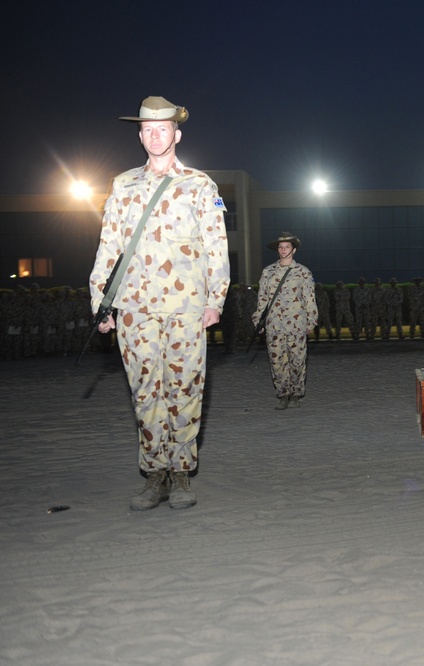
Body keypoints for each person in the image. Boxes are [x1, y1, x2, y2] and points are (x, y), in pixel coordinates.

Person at [89, 96, 230, 510]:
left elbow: (216, 247)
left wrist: (215, 299)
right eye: (148, 129)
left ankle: (182, 473)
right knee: (145, 392)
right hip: (134, 308)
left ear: (176, 134)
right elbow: (109, 245)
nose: (155, 134)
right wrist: (102, 301)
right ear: (140, 136)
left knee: (185, 388)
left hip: (186, 306)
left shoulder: (201, 185)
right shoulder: (122, 184)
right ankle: (155, 475)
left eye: (162, 128)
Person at [252, 232, 318, 410]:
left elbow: (309, 298)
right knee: (277, 361)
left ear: (293, 250)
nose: (283, 250)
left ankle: (296, 393)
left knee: (297, 359)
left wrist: (311, 321)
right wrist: (259, 320)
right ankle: (283, 394)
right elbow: (262, 299)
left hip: (297, 324)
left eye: (287, 247)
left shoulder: (303, 272)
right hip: (273, 324)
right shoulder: (268, 272)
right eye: (280, 247)